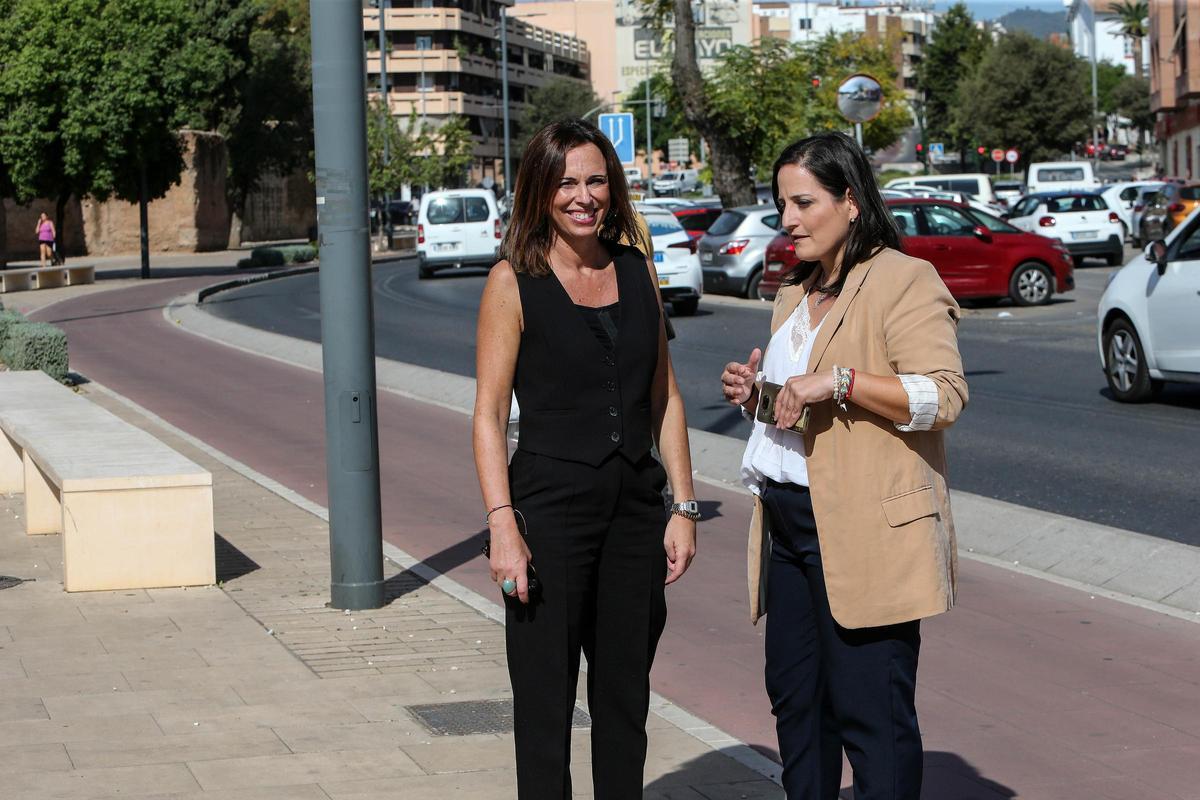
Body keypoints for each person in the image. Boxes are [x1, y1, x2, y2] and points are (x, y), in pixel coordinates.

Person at [720, 132, 968, 799]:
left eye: (804, 202)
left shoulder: (901, 280)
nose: (788, 220)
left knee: (872, 717)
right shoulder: (794, 291)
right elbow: (804, 411)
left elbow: (941, 397)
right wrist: (760, 396)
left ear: (850, 201)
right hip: (789, 526)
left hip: (864, 534)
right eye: (781, 203)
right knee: (797, 706)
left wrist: (844, 381)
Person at [473, 119, 698, 799]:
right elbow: (487, 416)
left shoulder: (636, 269)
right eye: (567, 181)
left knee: (624, 702)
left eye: (595, 179)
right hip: (547, 510)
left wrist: (683, 506)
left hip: (634, 511)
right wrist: (502, 526)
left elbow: (666, 397)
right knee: (544, 706)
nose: (583, 195)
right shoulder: (513, 282)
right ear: (540, 190)